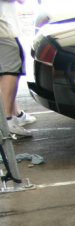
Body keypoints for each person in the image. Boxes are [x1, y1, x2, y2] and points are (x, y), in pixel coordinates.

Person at [0, 0, 33, 138]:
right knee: (10, 71)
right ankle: (7, 120)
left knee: (5, 70)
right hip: (4, 29)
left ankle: (16, 114)